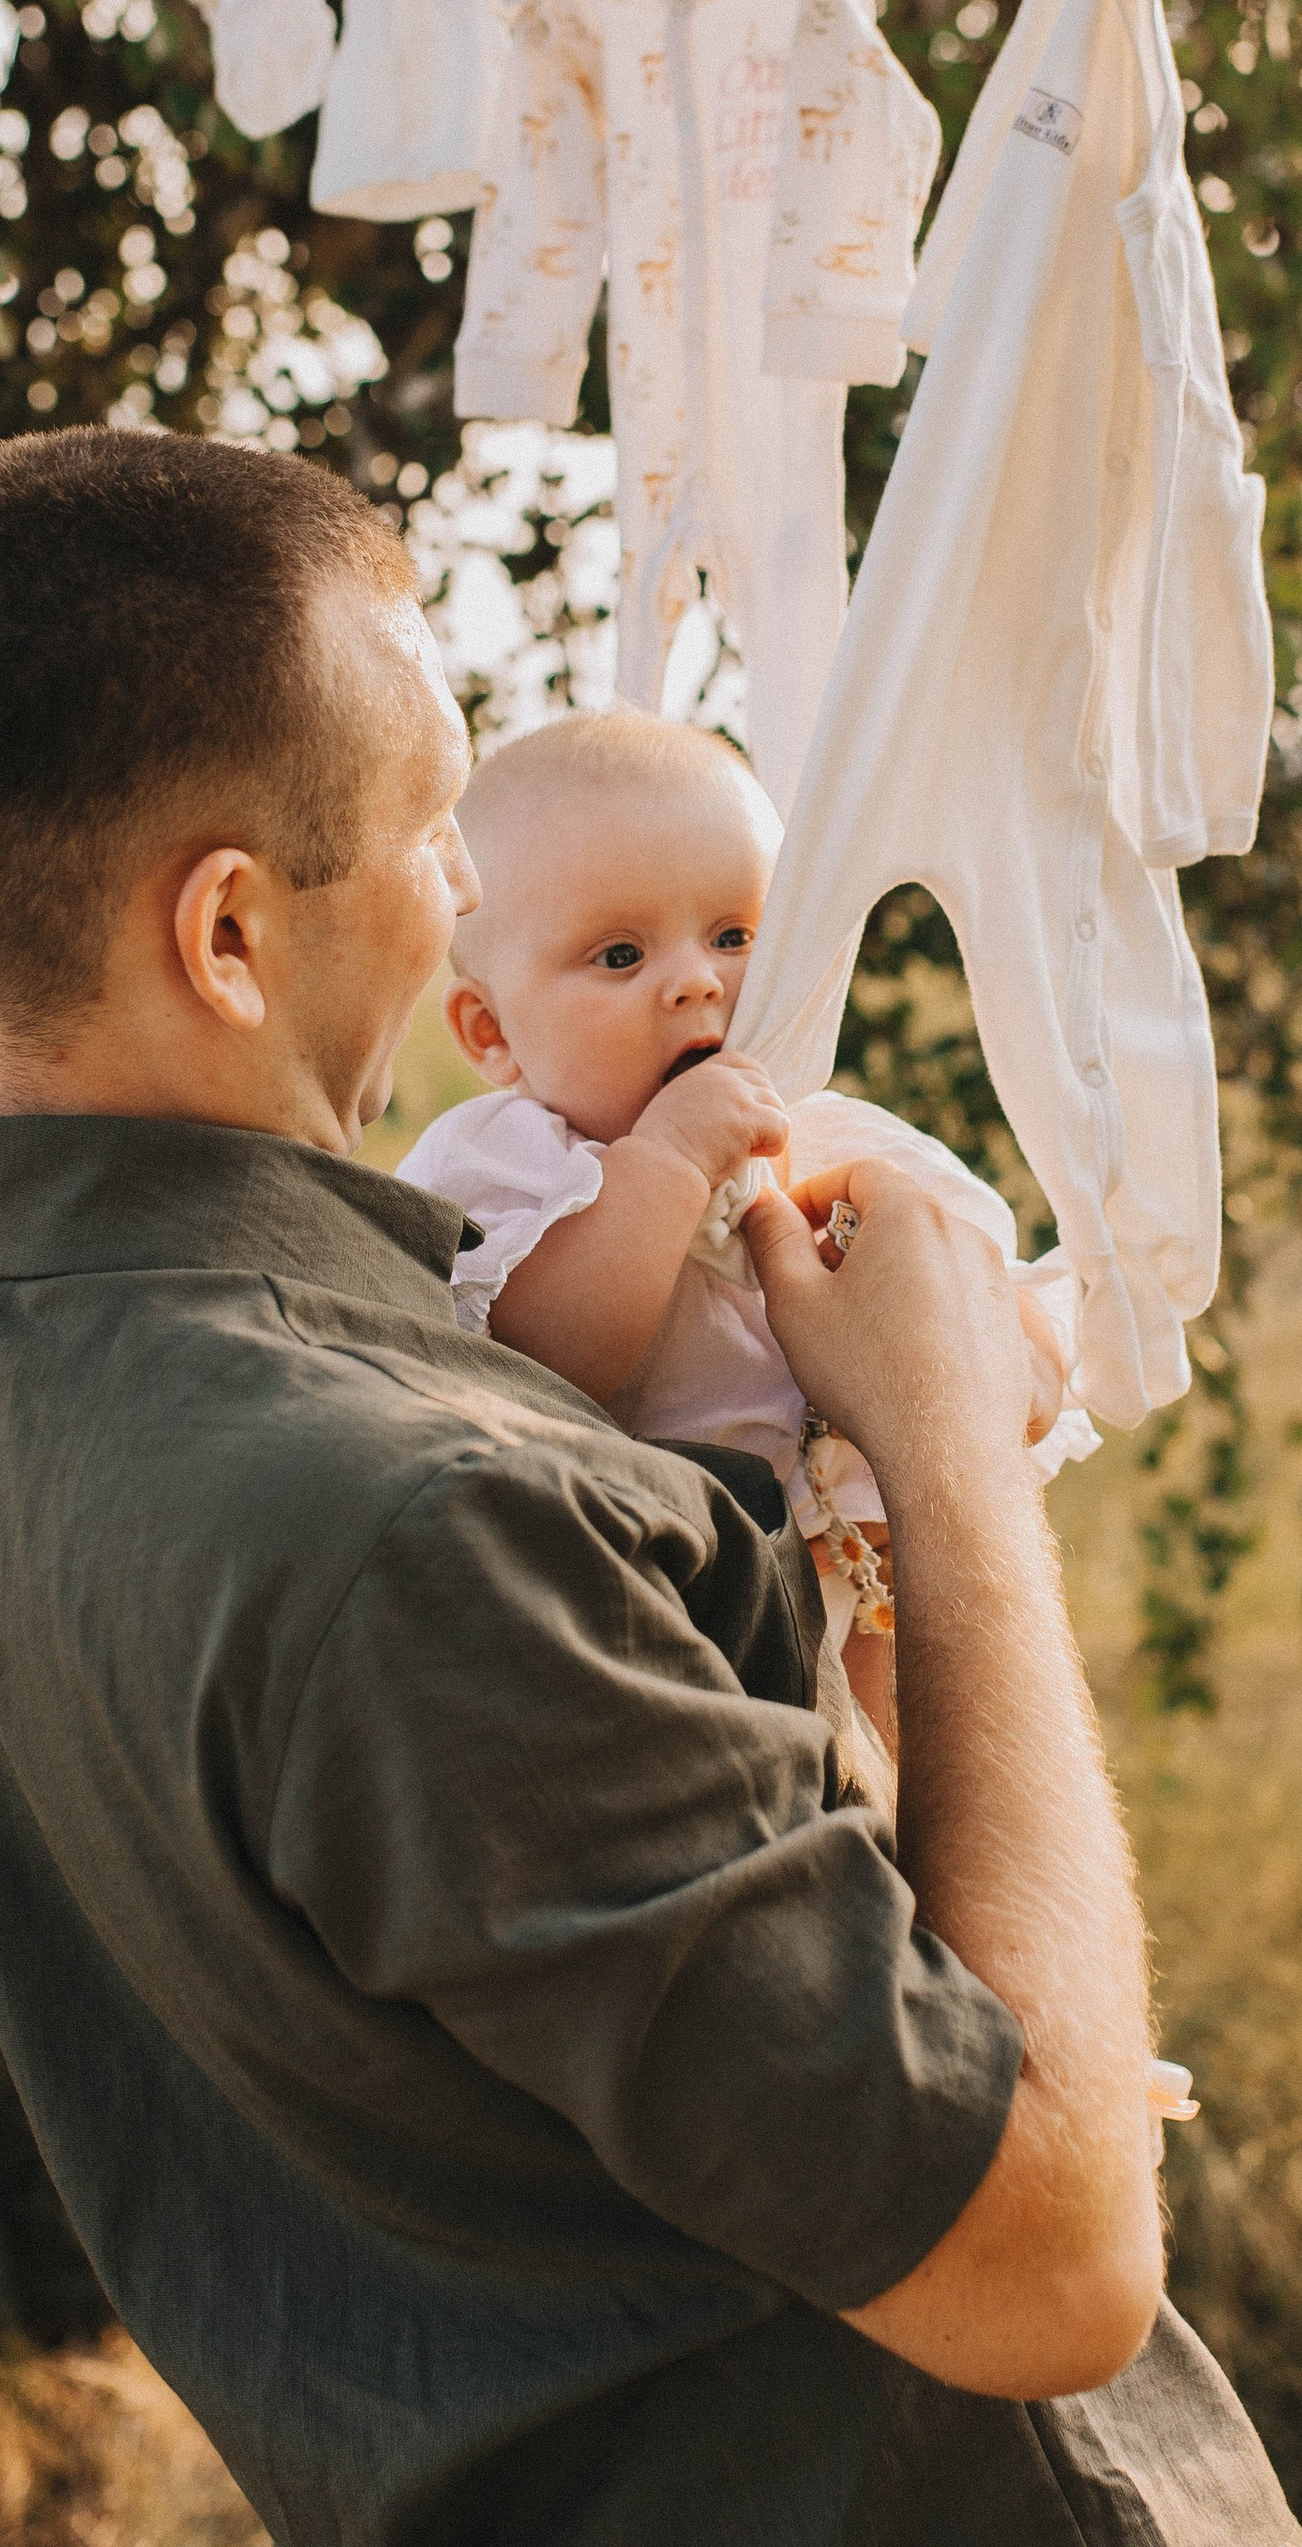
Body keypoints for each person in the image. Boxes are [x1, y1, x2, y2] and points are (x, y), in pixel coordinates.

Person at [0, 424, 1302, 2547]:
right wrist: (947, 1457)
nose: (468, 881)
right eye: (438, 824)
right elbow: (1053, 2256)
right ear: (230, 932)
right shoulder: (409, 1513)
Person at [394, 707, 1096, 1774]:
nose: (696, 981)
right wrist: (666, 1167)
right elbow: (545, 1361)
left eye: (735, 935)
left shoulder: (841, 1144)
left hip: (863, 1580)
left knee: (913, 1780)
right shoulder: (511, 1162)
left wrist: (1020, 1355)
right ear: (491, 1033)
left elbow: (998, 1341)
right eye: (619, 955)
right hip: (660, 1603)